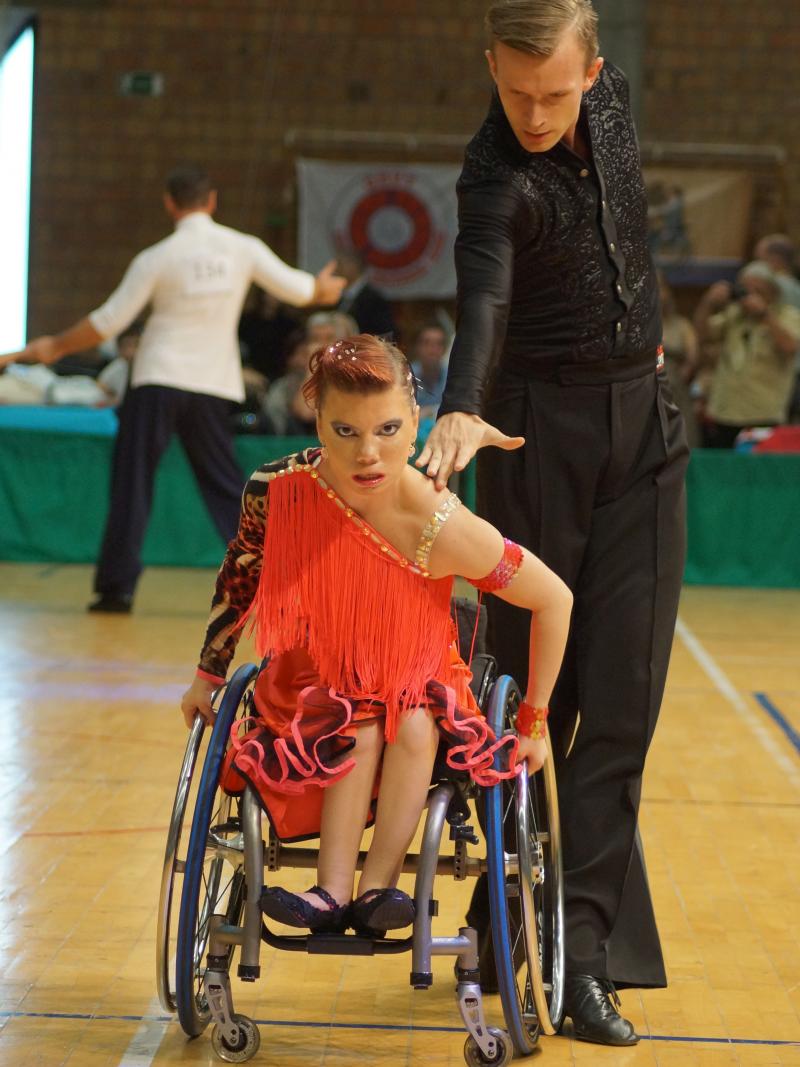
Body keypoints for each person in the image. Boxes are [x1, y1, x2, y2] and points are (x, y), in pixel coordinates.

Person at [416, 0, 689, 1046]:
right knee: (534, 700)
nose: (533, 112)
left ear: (592, 71)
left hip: (646, 430)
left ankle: (581, 958)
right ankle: (505, 922)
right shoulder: (495, 181)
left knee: (621, 698)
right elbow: (479, 297)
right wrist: (457, 403)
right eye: (512, 89)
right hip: (533, 433)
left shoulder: (608, 104)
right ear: (488, 63)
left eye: (554, 90)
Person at [180, 333, 572, 936]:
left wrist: (534, 723)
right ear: (317, 420)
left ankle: (380, 890)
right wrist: (209, 672)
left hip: (418, 675)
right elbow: (242, 574)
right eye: (346, 432)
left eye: (388, 431)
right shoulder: (277, 491)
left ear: (416, 423)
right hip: (315, 677)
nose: (369, 454)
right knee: (356, 719)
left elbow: (554, 599)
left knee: (409, 723)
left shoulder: (439, 522)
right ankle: (330, 892)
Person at [0, 164, 346, 612]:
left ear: (169, 204)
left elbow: (107, 322)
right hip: (211, 384)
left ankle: (115, 590)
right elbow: (304, 292)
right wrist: (327, 288)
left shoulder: (156, 257)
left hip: (157, 381)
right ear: (212, 200)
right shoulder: (243, 248)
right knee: (225, 488)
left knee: (133, 485)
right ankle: (269, 581)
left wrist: (53, 346)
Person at [694, 261, 800, 448]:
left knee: (756, 473)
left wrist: (764, 315)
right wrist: (708, 304)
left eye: (758, 290)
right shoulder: (734, 315)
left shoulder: (787, 316)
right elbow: (703, 335)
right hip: (724, 412)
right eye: (745, 290)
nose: (750, 296)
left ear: (772, 292)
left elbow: (790, 347)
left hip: (763, 413)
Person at [658, 273, 700, 447]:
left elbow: (693, 357)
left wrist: (685, 371)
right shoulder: (640, 327)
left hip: (675, 388)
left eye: (660, 288)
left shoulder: (682, 325)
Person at [335, 249, 397, 338]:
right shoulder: (337, 296)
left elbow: (385, 333)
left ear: (353, 266)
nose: (337, 270)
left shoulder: (374, 299)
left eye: (340, 265)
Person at [410, 323, 450, 418]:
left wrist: (429, 412)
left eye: (438, 344)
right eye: (426, 343)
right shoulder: (405, 377)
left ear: (444, 349)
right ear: (417, 348)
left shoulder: (452, 378)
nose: (432, 350)